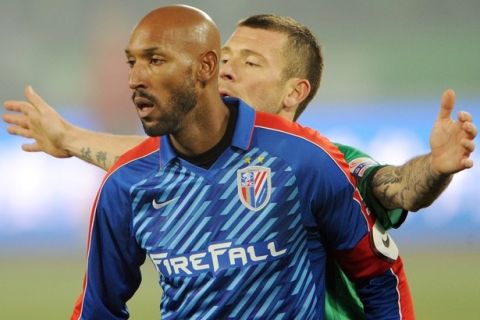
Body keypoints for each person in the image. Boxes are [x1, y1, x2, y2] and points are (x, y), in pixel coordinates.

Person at [3, 9, 476, 320]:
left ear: (294, 92)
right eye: (225, 56)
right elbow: (154, 165)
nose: (227, 68)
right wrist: (69, 137)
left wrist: (434, 168)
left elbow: (393, 188)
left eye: (250, 62)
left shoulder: (322, 161)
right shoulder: (150, 171)